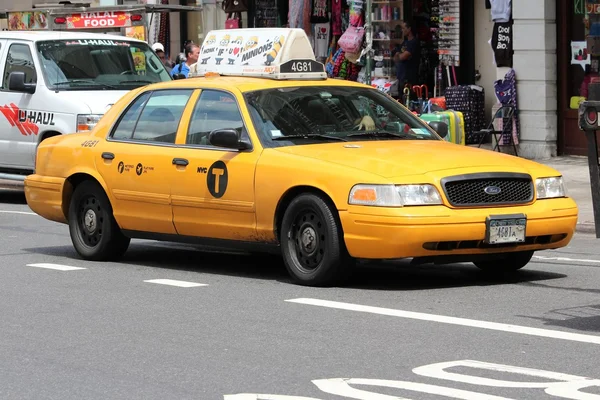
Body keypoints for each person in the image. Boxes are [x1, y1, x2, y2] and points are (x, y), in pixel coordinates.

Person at [393, 20, 420, 91]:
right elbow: (395, 58)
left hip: (409, 78)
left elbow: (403, 57)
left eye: (404, 28)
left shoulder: (414, 42)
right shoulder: (404, 42)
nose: (402, 30)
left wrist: (399, 55)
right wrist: (399, 55)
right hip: (401, 77)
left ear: (409, 29)